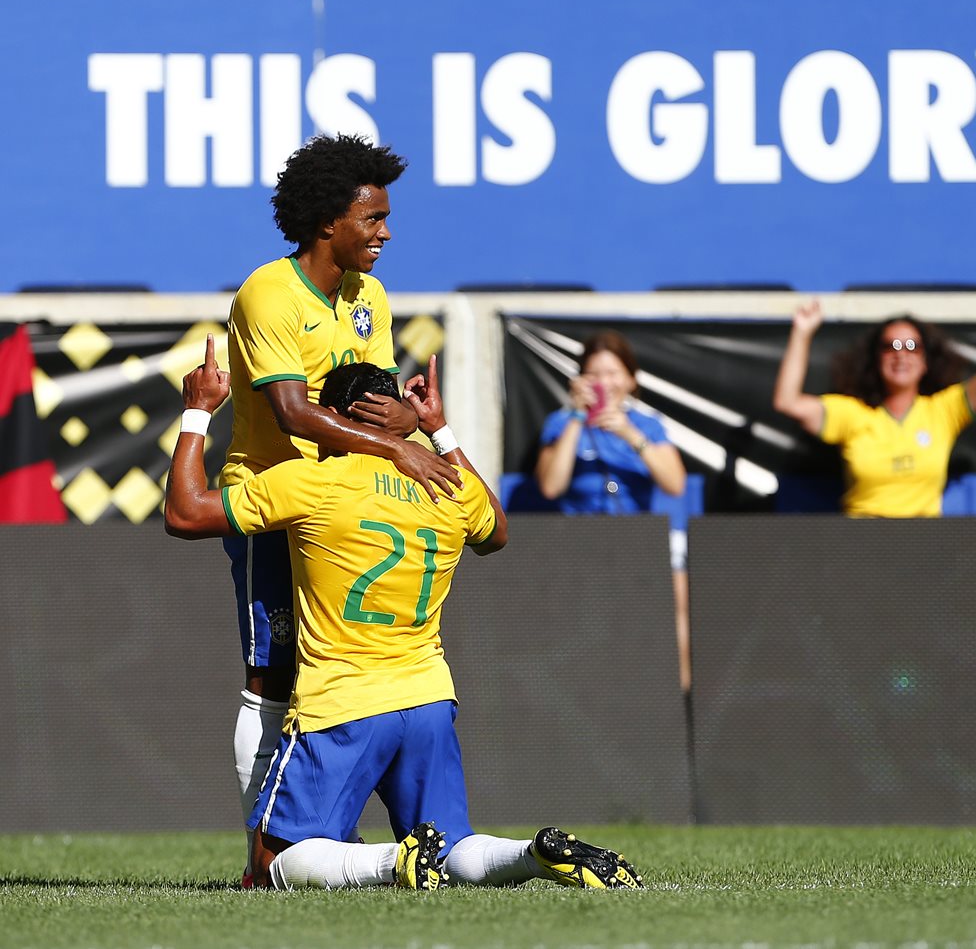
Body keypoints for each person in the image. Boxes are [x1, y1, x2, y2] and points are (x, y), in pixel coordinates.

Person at [166, 341, 644, 892]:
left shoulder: (315, 481)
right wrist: (440, 432)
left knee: (275, 861)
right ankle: (534, 855)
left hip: (341, 703)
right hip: (427, 700)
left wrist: (198, 410)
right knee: (456, 844)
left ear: (342, 419)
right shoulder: (447, 486)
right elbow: (498, 532)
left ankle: (390, 863)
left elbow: (184, 512)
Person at [220, 133, 461, 877]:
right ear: (329, 221)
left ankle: (321, 845)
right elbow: (292, 412)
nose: (386, 232)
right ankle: (266, 857)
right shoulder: (269, 292)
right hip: (274, 504)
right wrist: (397, 448)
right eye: (374, 218)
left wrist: (410, 421)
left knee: (340, 677)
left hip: (348, 507)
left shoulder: (370, 298)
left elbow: (376, 403)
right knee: (276, 676)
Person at [773, 300, 976, 517]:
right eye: (890, 346)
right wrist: (802, 332)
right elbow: (787, 401)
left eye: (911, 346)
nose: (901, 354)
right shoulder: (851, 414)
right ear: (875, 360)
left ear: (925, 361)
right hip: (861, 546)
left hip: (924, 550)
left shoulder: (943, 411)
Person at [534, 330, 692, 688]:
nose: (604, 383)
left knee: (678, 589)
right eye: (595, 374)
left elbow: (675, 484)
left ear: (631, 380)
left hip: (639, 541)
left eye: (613, 373)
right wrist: (576, 418)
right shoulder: (560, 424)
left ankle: (679, 692)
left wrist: (630, 435)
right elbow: (551, 485)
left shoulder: (647, 425)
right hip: (580, 544)